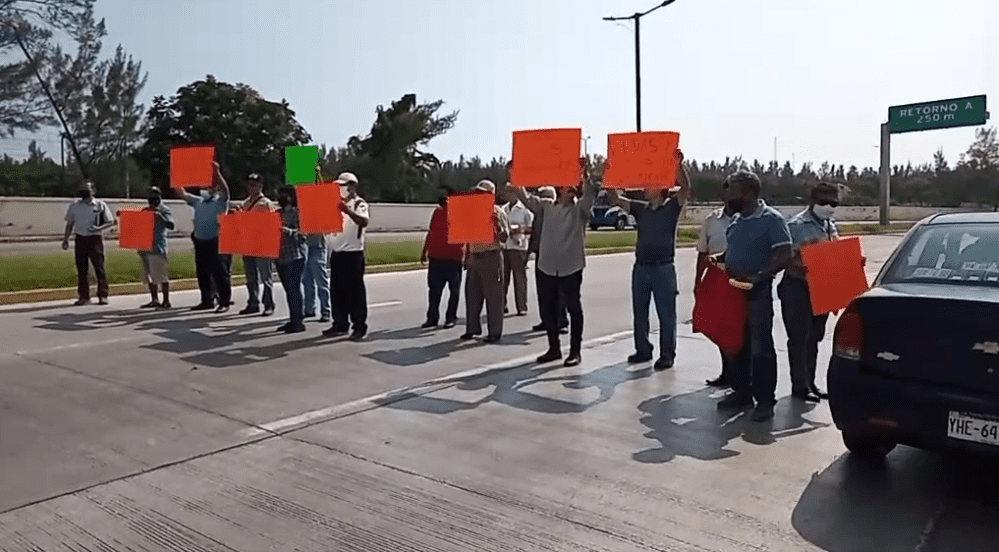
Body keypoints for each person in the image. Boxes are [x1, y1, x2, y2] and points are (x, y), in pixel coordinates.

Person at [715, 170, 793, 422]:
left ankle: (765, 401)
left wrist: (761, 275)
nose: (727, 194)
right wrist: (719, 260)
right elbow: (734, 251)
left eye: (733, 190)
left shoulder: (772, 219)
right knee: (738, 344)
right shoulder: (737, 220)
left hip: (756, 291)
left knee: (761, 348)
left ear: (748, 193)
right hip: (733, 291)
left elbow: (784, 254)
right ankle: (741, 392)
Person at [606, 149, 690, 371]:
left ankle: (667, 354)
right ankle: (643, 350)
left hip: (663, 268)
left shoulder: (672, 207)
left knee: (666, 315)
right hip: (641, 268)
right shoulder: (640, 209)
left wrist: (677, 165)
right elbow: (616, 199)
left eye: (650, 184)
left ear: (662, 189)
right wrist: (610, 176)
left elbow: (685, 189)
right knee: (640, 312)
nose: (644, 188)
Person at [508, 159, 597, 367]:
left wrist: (585, 174)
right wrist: (516, 174)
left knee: (574, 308)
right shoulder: (546, 206)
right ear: (559, 189)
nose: (570, 190)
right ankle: (553, 348)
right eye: (567, 186)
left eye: (573, 187)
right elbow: (525, 197)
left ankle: (575, 351)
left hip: (571, 265)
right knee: (548, 309)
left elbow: (590, 194)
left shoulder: (580, 210)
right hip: (547, 265)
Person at [779, 182, 841, 402]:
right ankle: (800, 386)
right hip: (797, 286)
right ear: (812, 201)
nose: (829, 206)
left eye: (833, 202)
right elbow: (783, 258)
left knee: (815, 337)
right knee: (799, 337)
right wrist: (800, 264)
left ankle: (810, 382)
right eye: (823, 202)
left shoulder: (831, 226)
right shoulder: (795, 225)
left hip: (821, 287)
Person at [696, 179, 738, 387]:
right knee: (716, 328)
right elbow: (703, 252)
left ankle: (741, 377)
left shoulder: (750, 219)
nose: (732, 196)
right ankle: (727, 372)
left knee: (739, 332)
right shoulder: (712, 221)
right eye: (728, 192)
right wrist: (698, 281)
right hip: (717, 279)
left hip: (741, 282)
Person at [460, 180, 511, 343]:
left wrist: (497, 225)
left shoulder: (498, 212)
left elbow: (505, 237)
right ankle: (472, 328)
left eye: (483, 193)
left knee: (494, 297)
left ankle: (494, 332)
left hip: (491, 256)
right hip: (475, 256)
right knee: (472, 295)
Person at [323, 172, 370, 341]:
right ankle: (340, 324)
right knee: (337, 291)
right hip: (337, 254)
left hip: (353, 254)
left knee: (355, 293)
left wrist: (347, 211)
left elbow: (364, 221)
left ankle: (359, 326)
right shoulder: (334, 204)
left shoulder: (358, 203)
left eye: (343, 186)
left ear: (353, 186)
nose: (340, 189)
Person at [184, 162, 232, 312]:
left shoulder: (221, 201)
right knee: (202, 272)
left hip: (215, 240)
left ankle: (224, 302)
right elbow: (182, 194)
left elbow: (226, 191)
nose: (206, 188)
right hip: (200, 241)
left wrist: (217, 172)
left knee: (219, 273)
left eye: (210, 185)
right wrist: (176, 177)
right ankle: (207, 300)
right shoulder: (198, 201)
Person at [62, 179, 116, 305]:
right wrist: (66, 239)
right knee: (82, 269)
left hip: (95, 239)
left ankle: (103, 295)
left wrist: (99, 228)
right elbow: (70, 223)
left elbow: (110, 221)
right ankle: (84, 296)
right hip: (80, 238)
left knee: (99, 268)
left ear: (93, 190)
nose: (84, 191)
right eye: (82, 189)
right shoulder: (74, 206)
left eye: (87, 189)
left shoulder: (100, 205)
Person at [420, 188, 465, 329]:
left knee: (454, 290)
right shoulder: (437, 213)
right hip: (436, 256)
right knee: (434, 290)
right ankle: (432, 317)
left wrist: (467, 255)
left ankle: (450, 317)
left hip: (453, 257)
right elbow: (431, 231)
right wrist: (424, 250)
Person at [528, 187, 568, 335]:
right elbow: (535, 235)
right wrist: (528, 253)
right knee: (543, 291)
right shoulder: (539, 215)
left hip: (557, 255)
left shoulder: (559, 212)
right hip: (541, 255)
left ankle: (561, 321)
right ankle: (546, 320)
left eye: (543, 197)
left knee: (559, 291)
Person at [239, 173, 277, 317]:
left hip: (262, 244)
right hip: (248, 243)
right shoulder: (245, 203)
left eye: (254, 184)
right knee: (251, 277)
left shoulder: (266, 203)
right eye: (249, 184)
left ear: (260, 186)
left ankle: (269, 304)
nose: (251, 187)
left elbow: (273, 223)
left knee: (265, 277)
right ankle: (253, 303)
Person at [275, 186, 307, 333]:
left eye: (284, 194)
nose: (281, 197)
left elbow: (302, 234)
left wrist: (284, 230)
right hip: (280, 256)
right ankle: (293, 318)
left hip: (295, 256)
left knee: (294, 289)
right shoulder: (277, 213)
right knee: (288, 290)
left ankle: (298, 322)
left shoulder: (297, 212)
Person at [138, 186, 175, 309]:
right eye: (150, 197)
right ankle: (154, 299)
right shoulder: (145, 211)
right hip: (145, 247)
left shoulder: (165, 210)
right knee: (149, 276)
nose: (151, 200)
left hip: (158, 247)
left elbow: (171, 225)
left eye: (154, 197)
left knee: (161, 275)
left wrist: (160, 217)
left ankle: (166, 300)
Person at [501, 186, 534, 316]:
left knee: (519, 278)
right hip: (505, 246)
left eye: (511, 192)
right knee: (503, 278)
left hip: (519, 246)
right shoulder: (503, 209)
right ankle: (502, 305)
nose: (509, 195)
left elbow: (531, 228)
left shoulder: (525, 209)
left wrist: (521, 230)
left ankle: (522, 306)